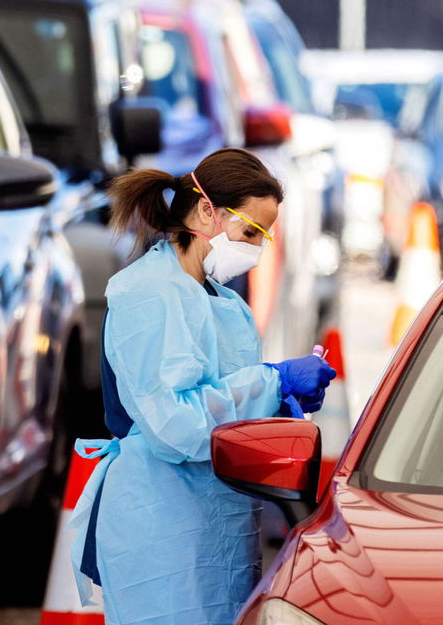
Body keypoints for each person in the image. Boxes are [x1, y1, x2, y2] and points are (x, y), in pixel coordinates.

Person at [67, 147, 336, 625]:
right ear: (207, 211)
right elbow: (174, 425)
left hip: (216, 523)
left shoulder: (221, 302)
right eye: (250, 231)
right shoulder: (148, 293)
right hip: (162, 527)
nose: (255, 247)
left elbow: (225, 400)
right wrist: (272, 382)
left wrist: (279, 409)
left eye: (264, 237)